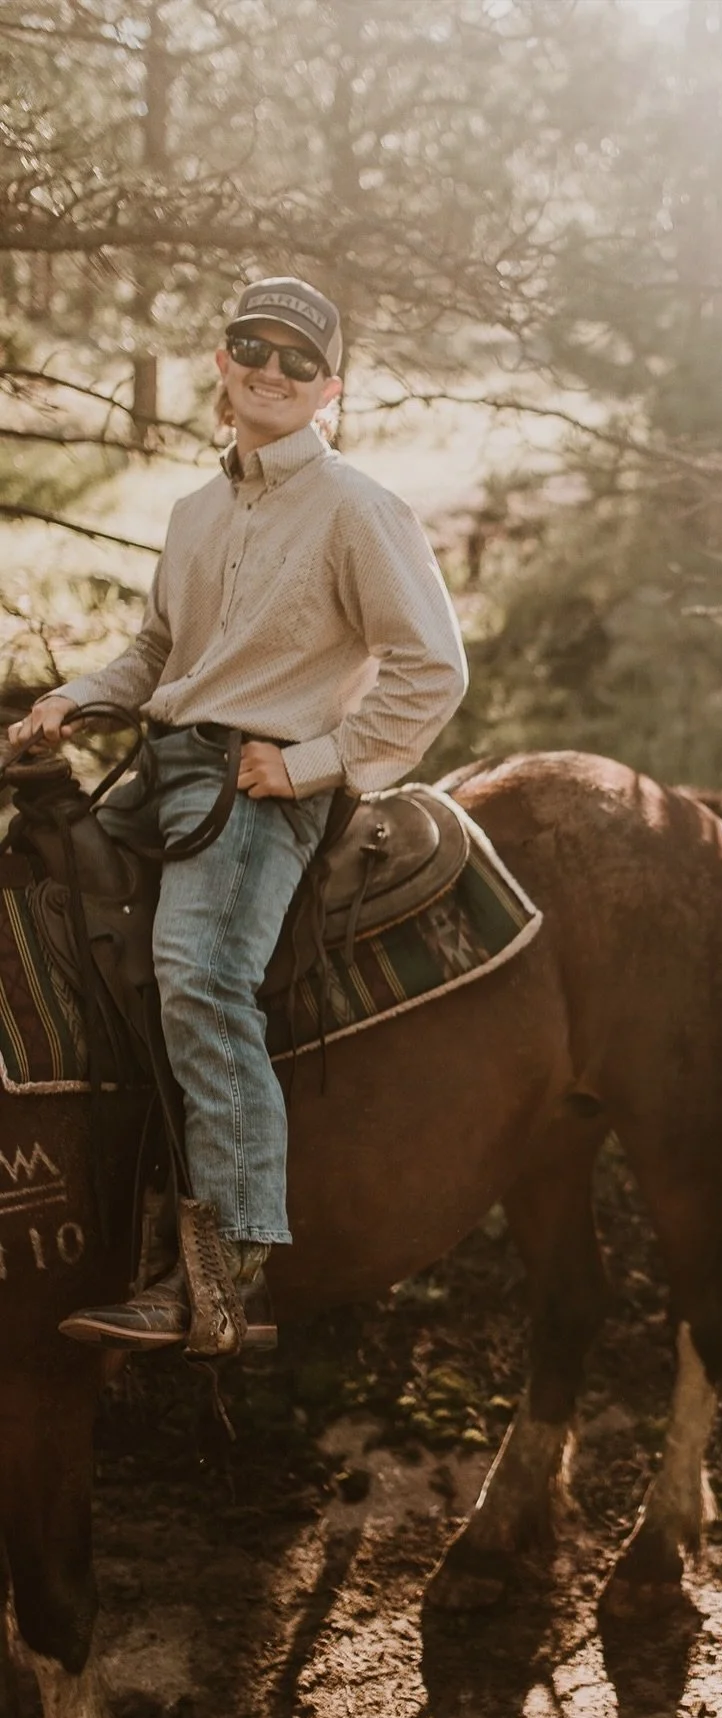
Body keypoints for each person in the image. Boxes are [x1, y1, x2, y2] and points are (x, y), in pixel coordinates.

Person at [9, 275, 468, 1348]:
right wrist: (75, 697)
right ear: (222, 361)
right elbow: (157, 653)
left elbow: (431, 668)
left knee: (201, 976)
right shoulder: (196, 511)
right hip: (161, 775)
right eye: (253, 347)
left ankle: (227, 1276)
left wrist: (313, 764)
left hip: (258, 790)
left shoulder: (358, 508)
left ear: (330, 389)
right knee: (37, 914)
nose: (272, 370)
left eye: (299, 361)